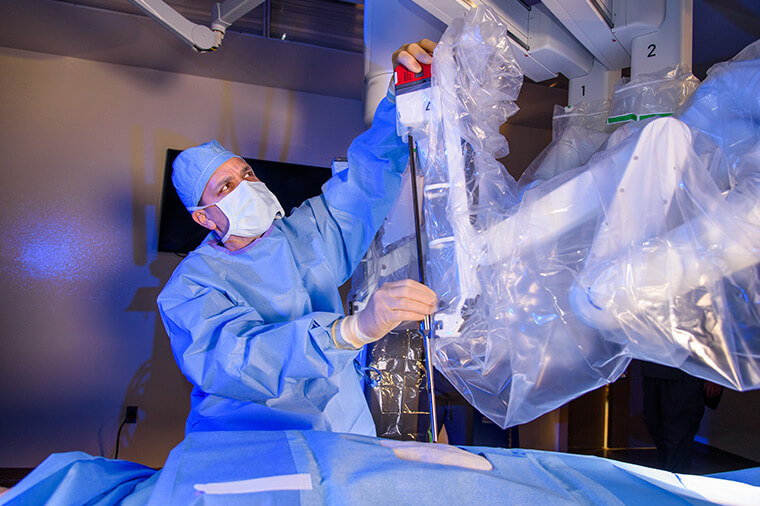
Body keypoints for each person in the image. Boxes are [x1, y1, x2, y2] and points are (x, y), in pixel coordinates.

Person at [157, 40, 439, 438]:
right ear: (202, 217)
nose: (246, 187)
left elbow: (366, 180)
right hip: (248, 444)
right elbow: (239, 360)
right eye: (225, 187)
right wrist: (350, 332)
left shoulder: (305, 233)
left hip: (342, 431)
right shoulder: (189, 287)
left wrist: (401, 96)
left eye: (247, 174)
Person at [641, 361, 723, 473]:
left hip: (686, 370)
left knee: (678, 434)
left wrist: (714, 374)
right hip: (653, 366)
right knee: (656, 427)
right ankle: (668, 479)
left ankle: (674, 482)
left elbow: (716, 343)